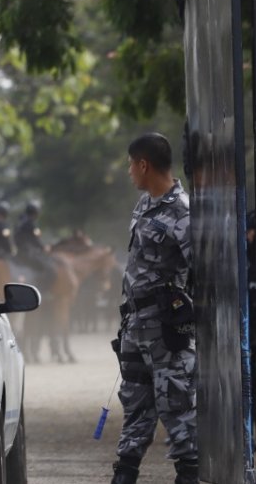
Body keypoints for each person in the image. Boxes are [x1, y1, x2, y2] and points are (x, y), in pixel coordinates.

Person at [110, 133, 197, 484]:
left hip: (165, 327)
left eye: (131, 164)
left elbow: (200, 272)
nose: (129, 171)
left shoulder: (183, 212)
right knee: (135, 401)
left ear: (143, 164)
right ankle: (125, 472)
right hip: (135, 324)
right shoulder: (144, 205)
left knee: (175, 403)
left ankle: (189, 473)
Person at [15, 201, 57, 285]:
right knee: (48, 268)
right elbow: (35, 240)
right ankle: (41, 288)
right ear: (35, 212)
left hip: (20, 253)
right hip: (30, 254)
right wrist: (43, 247)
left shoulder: (20, 222)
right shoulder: (30, 224)